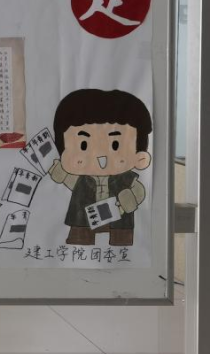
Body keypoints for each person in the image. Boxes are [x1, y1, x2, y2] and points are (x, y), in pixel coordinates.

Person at [48, 89, 152, 247]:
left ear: (140, 157)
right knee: (80, 236)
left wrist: (130, 200)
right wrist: (62, 174)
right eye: (83, 144)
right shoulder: (82, 179)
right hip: (83, 220)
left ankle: (120, 241)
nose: (100, 156)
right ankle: (81, 239)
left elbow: (138, 191)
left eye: (115, 144)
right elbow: (71, 181)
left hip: (119, 221)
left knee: (121, 239)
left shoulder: (126, 178)